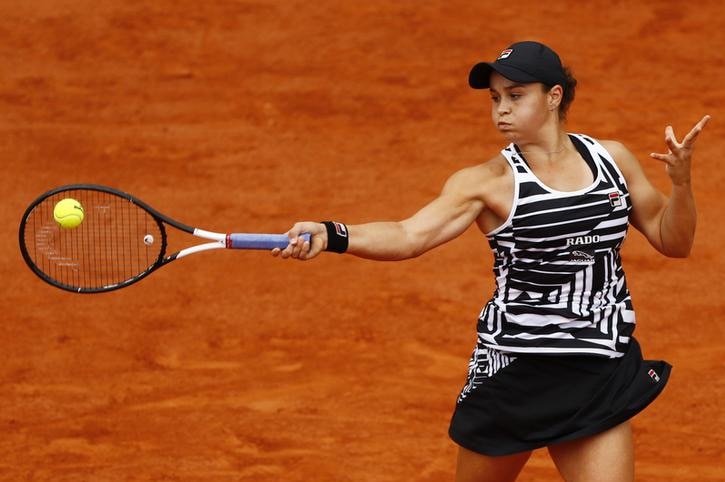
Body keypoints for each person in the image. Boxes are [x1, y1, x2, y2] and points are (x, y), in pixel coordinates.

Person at [272, 40, 710, 482]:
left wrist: (682, 184)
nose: (501, 109)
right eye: (495, 98)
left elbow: (673, 241)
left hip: (597, 367)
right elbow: (410, 235)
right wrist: (332, 233)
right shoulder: (486, 184)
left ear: (554, 96)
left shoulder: (612, 160)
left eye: (515, 96)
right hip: (517, 372)